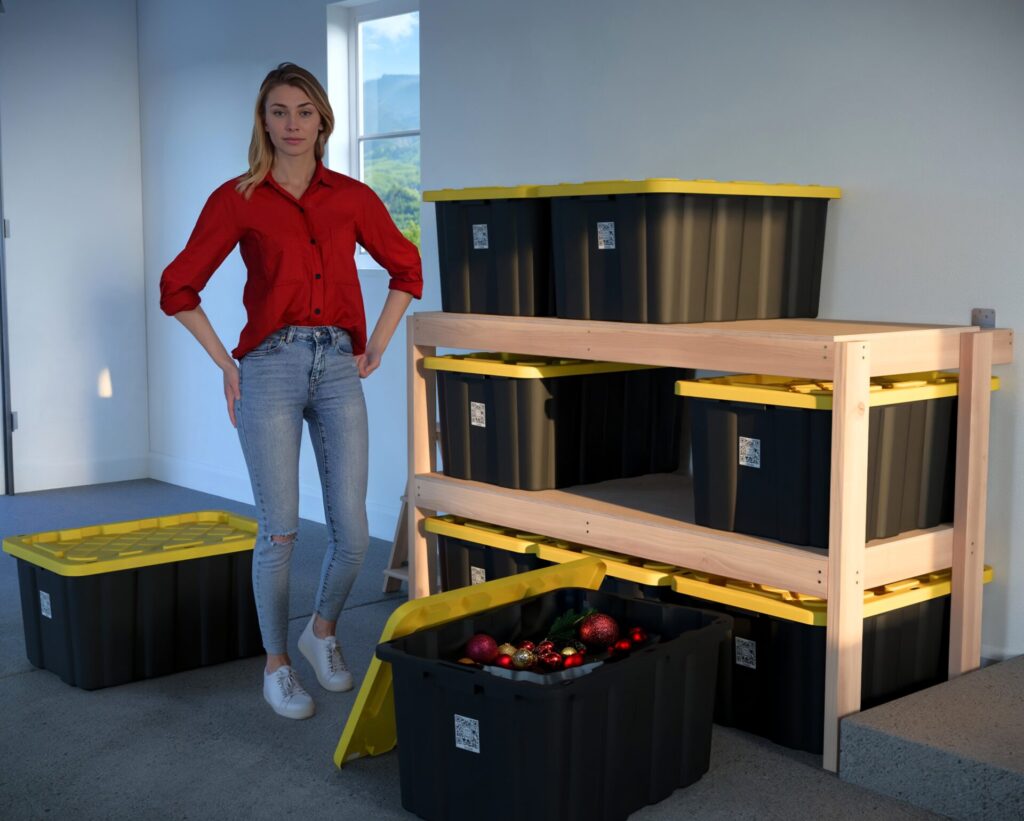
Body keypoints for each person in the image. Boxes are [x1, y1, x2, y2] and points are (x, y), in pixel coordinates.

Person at [159, 63, 422, 719]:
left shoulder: (353, 197)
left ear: (323, 119)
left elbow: (406, 266)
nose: (292, 124)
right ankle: (277, 665)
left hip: (338, 363)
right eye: (279, 112)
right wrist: (229, 364)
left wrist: (379, 341)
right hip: (269, 366)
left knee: (354, 532)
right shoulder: (237, 199)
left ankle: (321, 632)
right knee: (278, 532)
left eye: (304, 111)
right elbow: (177, 286)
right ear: (264, 120)